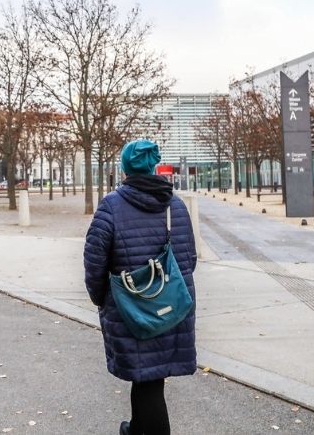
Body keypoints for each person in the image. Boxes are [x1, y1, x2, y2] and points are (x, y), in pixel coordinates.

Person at [84, 140, 197, 435]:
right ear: (154, 165)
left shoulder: (111, 206)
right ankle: (134, 430)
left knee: (147, 381)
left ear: (125, 168)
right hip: (173, 308)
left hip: (132, 309)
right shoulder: (176, 206)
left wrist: (101, 299)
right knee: (149, 380)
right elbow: (190, 259)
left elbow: (94, 263)